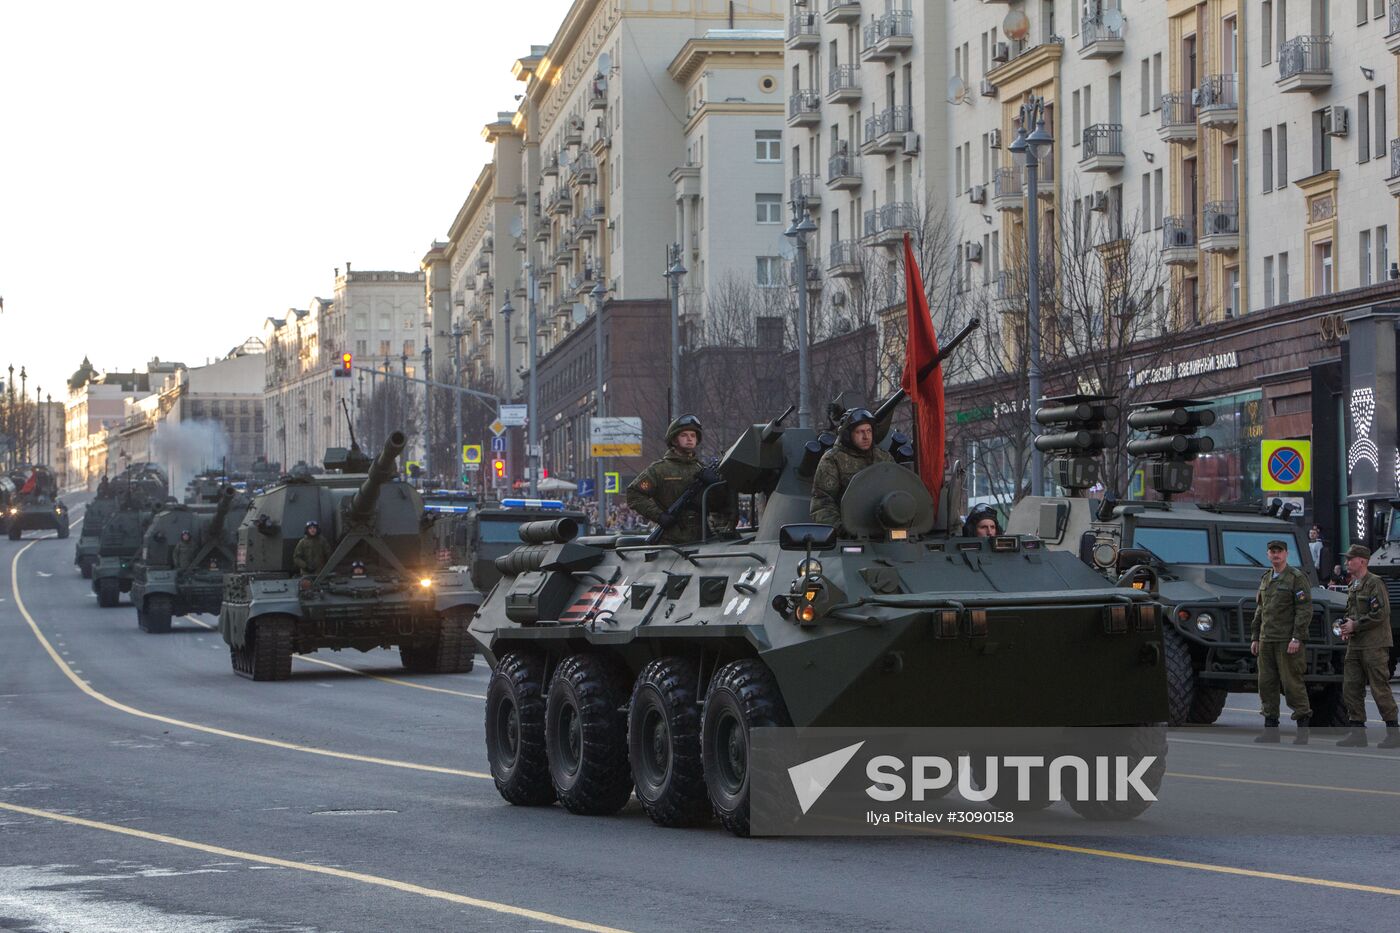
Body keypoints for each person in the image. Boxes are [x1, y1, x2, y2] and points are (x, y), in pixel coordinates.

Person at [626, 416, 733, 545]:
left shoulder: (703, 469)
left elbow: (718, 505)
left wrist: (715, 485)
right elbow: (634, 494)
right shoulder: (660, 470)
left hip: (703, 538)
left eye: (693, 435)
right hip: (671, 541)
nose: (689, 439)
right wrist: (659, 516)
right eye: (684, 435)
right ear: (674, 440)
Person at [1335, 545, 1400, 748]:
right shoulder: (1354, 585)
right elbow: (1352, 612)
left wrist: (1356, 625)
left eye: (1350, 559)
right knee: (1351, 687)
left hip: (1374, 644)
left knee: (1379, 688)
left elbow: (1381, 612)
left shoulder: (1374, 583)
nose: (1347, 563)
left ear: (1362, 561)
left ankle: (1393, 732)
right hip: (1356, 645)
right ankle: (1357, 732)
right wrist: (1346, 627)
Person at [1250, 539, 1313, 744]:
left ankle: (1302, 729)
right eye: (1272, 551)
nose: (1275, 555)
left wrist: (1297, 637)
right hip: (1267, 640)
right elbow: (1260, 610)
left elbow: (1304, 610)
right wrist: (1255, 636)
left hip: (1287, 640)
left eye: (1279, 551)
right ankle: (1271, 730)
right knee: (1266, 685)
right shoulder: (1266, 578)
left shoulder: (1296, 578)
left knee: (1292, 684)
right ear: (1268, 555)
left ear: (1286, 554)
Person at [810, 408, 894, 529]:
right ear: (847, 434)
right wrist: (841, 528)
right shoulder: (833, 459)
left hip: (885, 529)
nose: (866, 437)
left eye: (869, 431)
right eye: (859, 432)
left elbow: (897, 491)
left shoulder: (883, 457)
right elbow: (822, 503)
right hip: (850, 532)